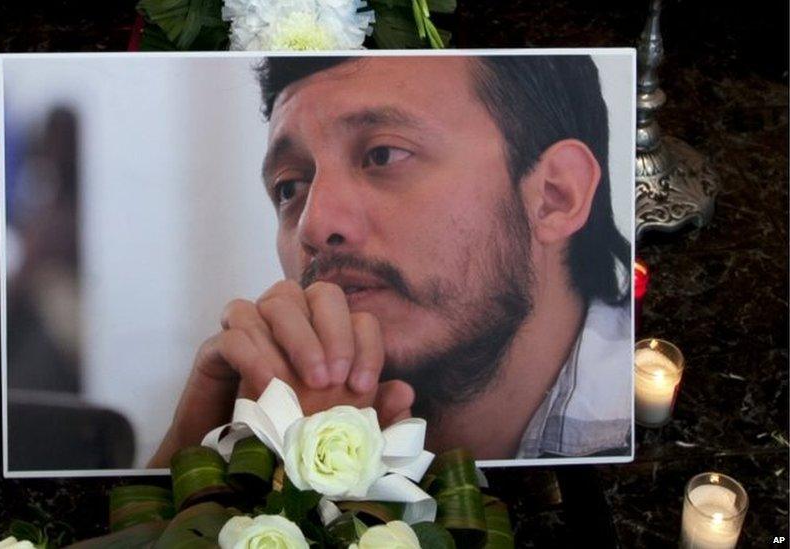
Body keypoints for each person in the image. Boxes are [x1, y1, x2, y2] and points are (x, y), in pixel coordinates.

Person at [150, 54, 632, 466]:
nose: (314, 227)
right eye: (290, 187)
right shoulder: (253, 419)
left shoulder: (656, 440)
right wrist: (193, 480)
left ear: (554, 195)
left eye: (383, 155)